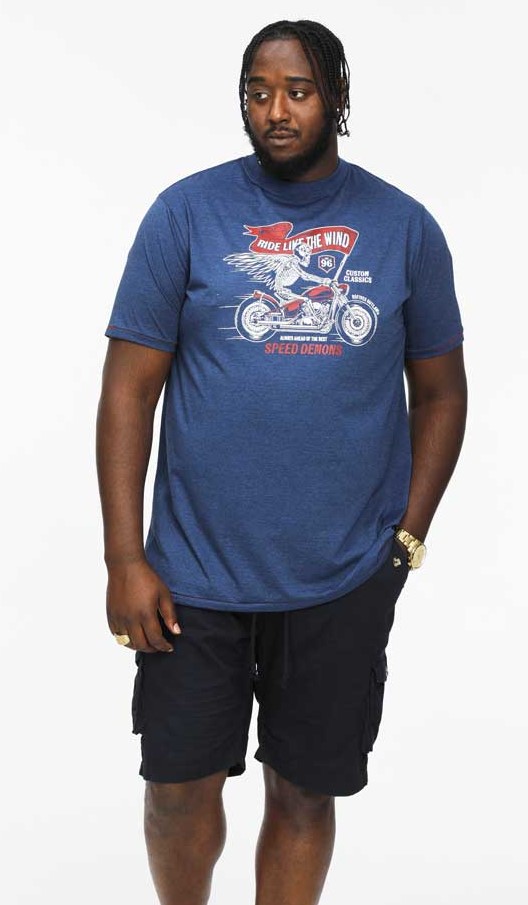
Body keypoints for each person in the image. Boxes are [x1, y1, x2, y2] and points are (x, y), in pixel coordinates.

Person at [96, 18, 467, 905]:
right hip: (192, 578)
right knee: (175, 791)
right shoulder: (185, 213)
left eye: (297, 91)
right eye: (257, 93)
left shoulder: (404, 227)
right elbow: (127, 393)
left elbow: (442, 394)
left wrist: (405, 540)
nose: (276, 110)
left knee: (304, 792)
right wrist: (123, 558)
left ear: (336, 98)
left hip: (341, 574)